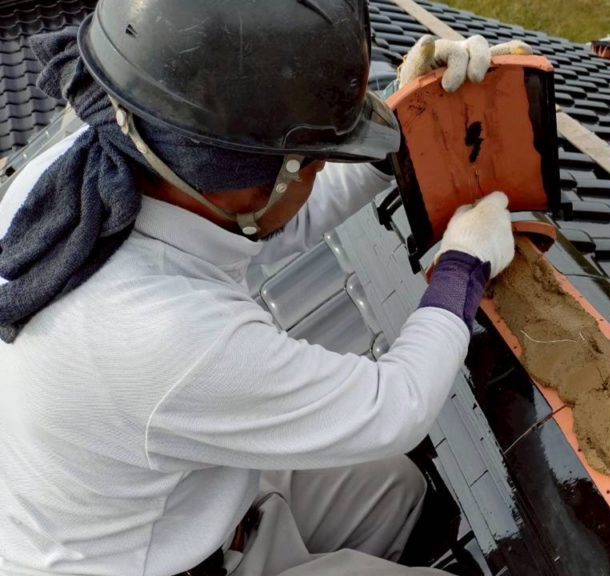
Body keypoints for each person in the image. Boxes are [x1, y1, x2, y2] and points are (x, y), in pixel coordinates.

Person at [0, 1, 528, 574]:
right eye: (317, 163)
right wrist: (463, 267)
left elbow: (263, 223)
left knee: (394, 491)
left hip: (152, 485)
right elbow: (395, 405)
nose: (322, 172)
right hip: (148, 559)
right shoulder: (170, 337)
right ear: (250, 187)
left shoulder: (92, 173)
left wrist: (402, 116)